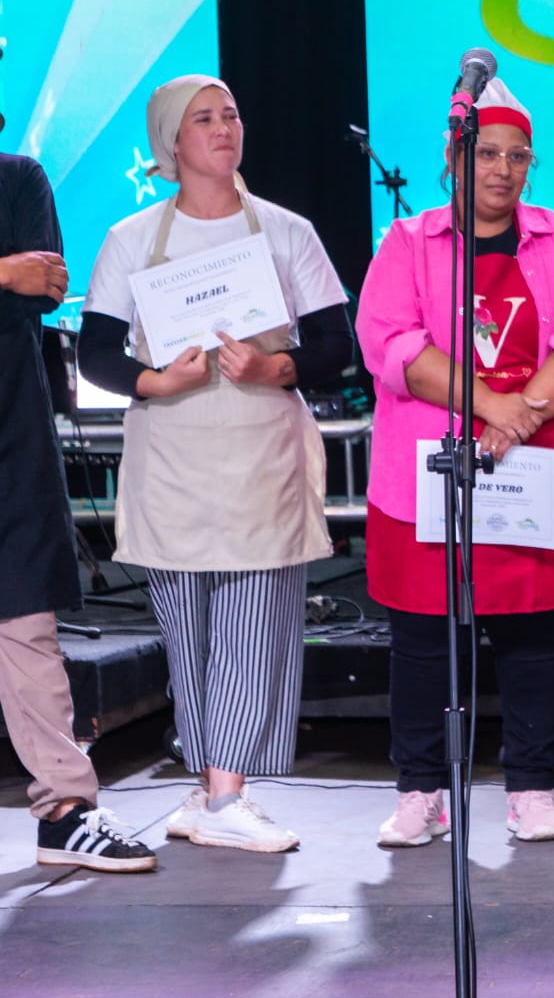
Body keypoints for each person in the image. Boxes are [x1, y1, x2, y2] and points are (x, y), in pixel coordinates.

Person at [78, 75, 355, 854]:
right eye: (204, 118)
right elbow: (96, 351)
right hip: (172, 456)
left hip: (262, 454)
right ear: (171, 141)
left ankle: (227, 791)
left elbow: (336, 345)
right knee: (190, 636)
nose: (224, 127)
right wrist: (155, 380)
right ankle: (211, 791)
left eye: (231, 114)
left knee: (254, 626)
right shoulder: (132, 238)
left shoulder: (287, 231)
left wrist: (275, 368)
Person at [355, 76, 554, 847]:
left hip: (537, 463)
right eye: (485, 152)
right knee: (425, 641)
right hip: (432, 472)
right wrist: (492, 404)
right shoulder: (408, 242)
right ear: (454, 156)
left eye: (517, 156)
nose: (501, 169)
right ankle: (422, 789)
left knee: (536, 639)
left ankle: (531, 786)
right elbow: (391, 343)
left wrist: (525, 412)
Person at [1, 152, 155, 872]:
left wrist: (17, 277)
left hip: (9, 435)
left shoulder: (17, 178)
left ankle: (66, 810)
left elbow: (47, 282)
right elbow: (19, 276)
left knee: (26, 623)